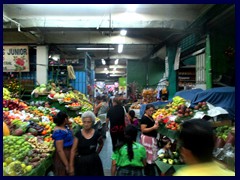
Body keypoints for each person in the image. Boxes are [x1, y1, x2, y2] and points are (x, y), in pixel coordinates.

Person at [69, 111, 104, 176]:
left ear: (92, 122)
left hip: (94, 163)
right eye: (84, 122)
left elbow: (101, 144)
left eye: (88, 122)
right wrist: (71, 166)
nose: (86, 124)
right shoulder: (78, 134)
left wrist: (96, 153)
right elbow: (73, 150)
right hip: (81, 163)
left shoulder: (97, 134)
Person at [52, 111, 74, 176]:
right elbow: (60, 150)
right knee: (63, 172)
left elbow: (72, 136)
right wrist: (67, 164)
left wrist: (70, 126)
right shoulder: (59, 132)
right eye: (68, 118)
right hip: (64, 155)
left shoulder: (65, 127)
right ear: (65, 119)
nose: (69, 119)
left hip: (68, 153)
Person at [140, 104, 160, 176]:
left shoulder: (150, 116)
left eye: (153, 110)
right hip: (147, 140)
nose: (152, 112)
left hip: (151, 139)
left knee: (149, 156)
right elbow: (143, 130)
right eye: (150, 111)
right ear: (146, 110)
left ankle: (148, 172)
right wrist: (153, 128)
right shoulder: (144, 118)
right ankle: (149, 172)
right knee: (148, 156)